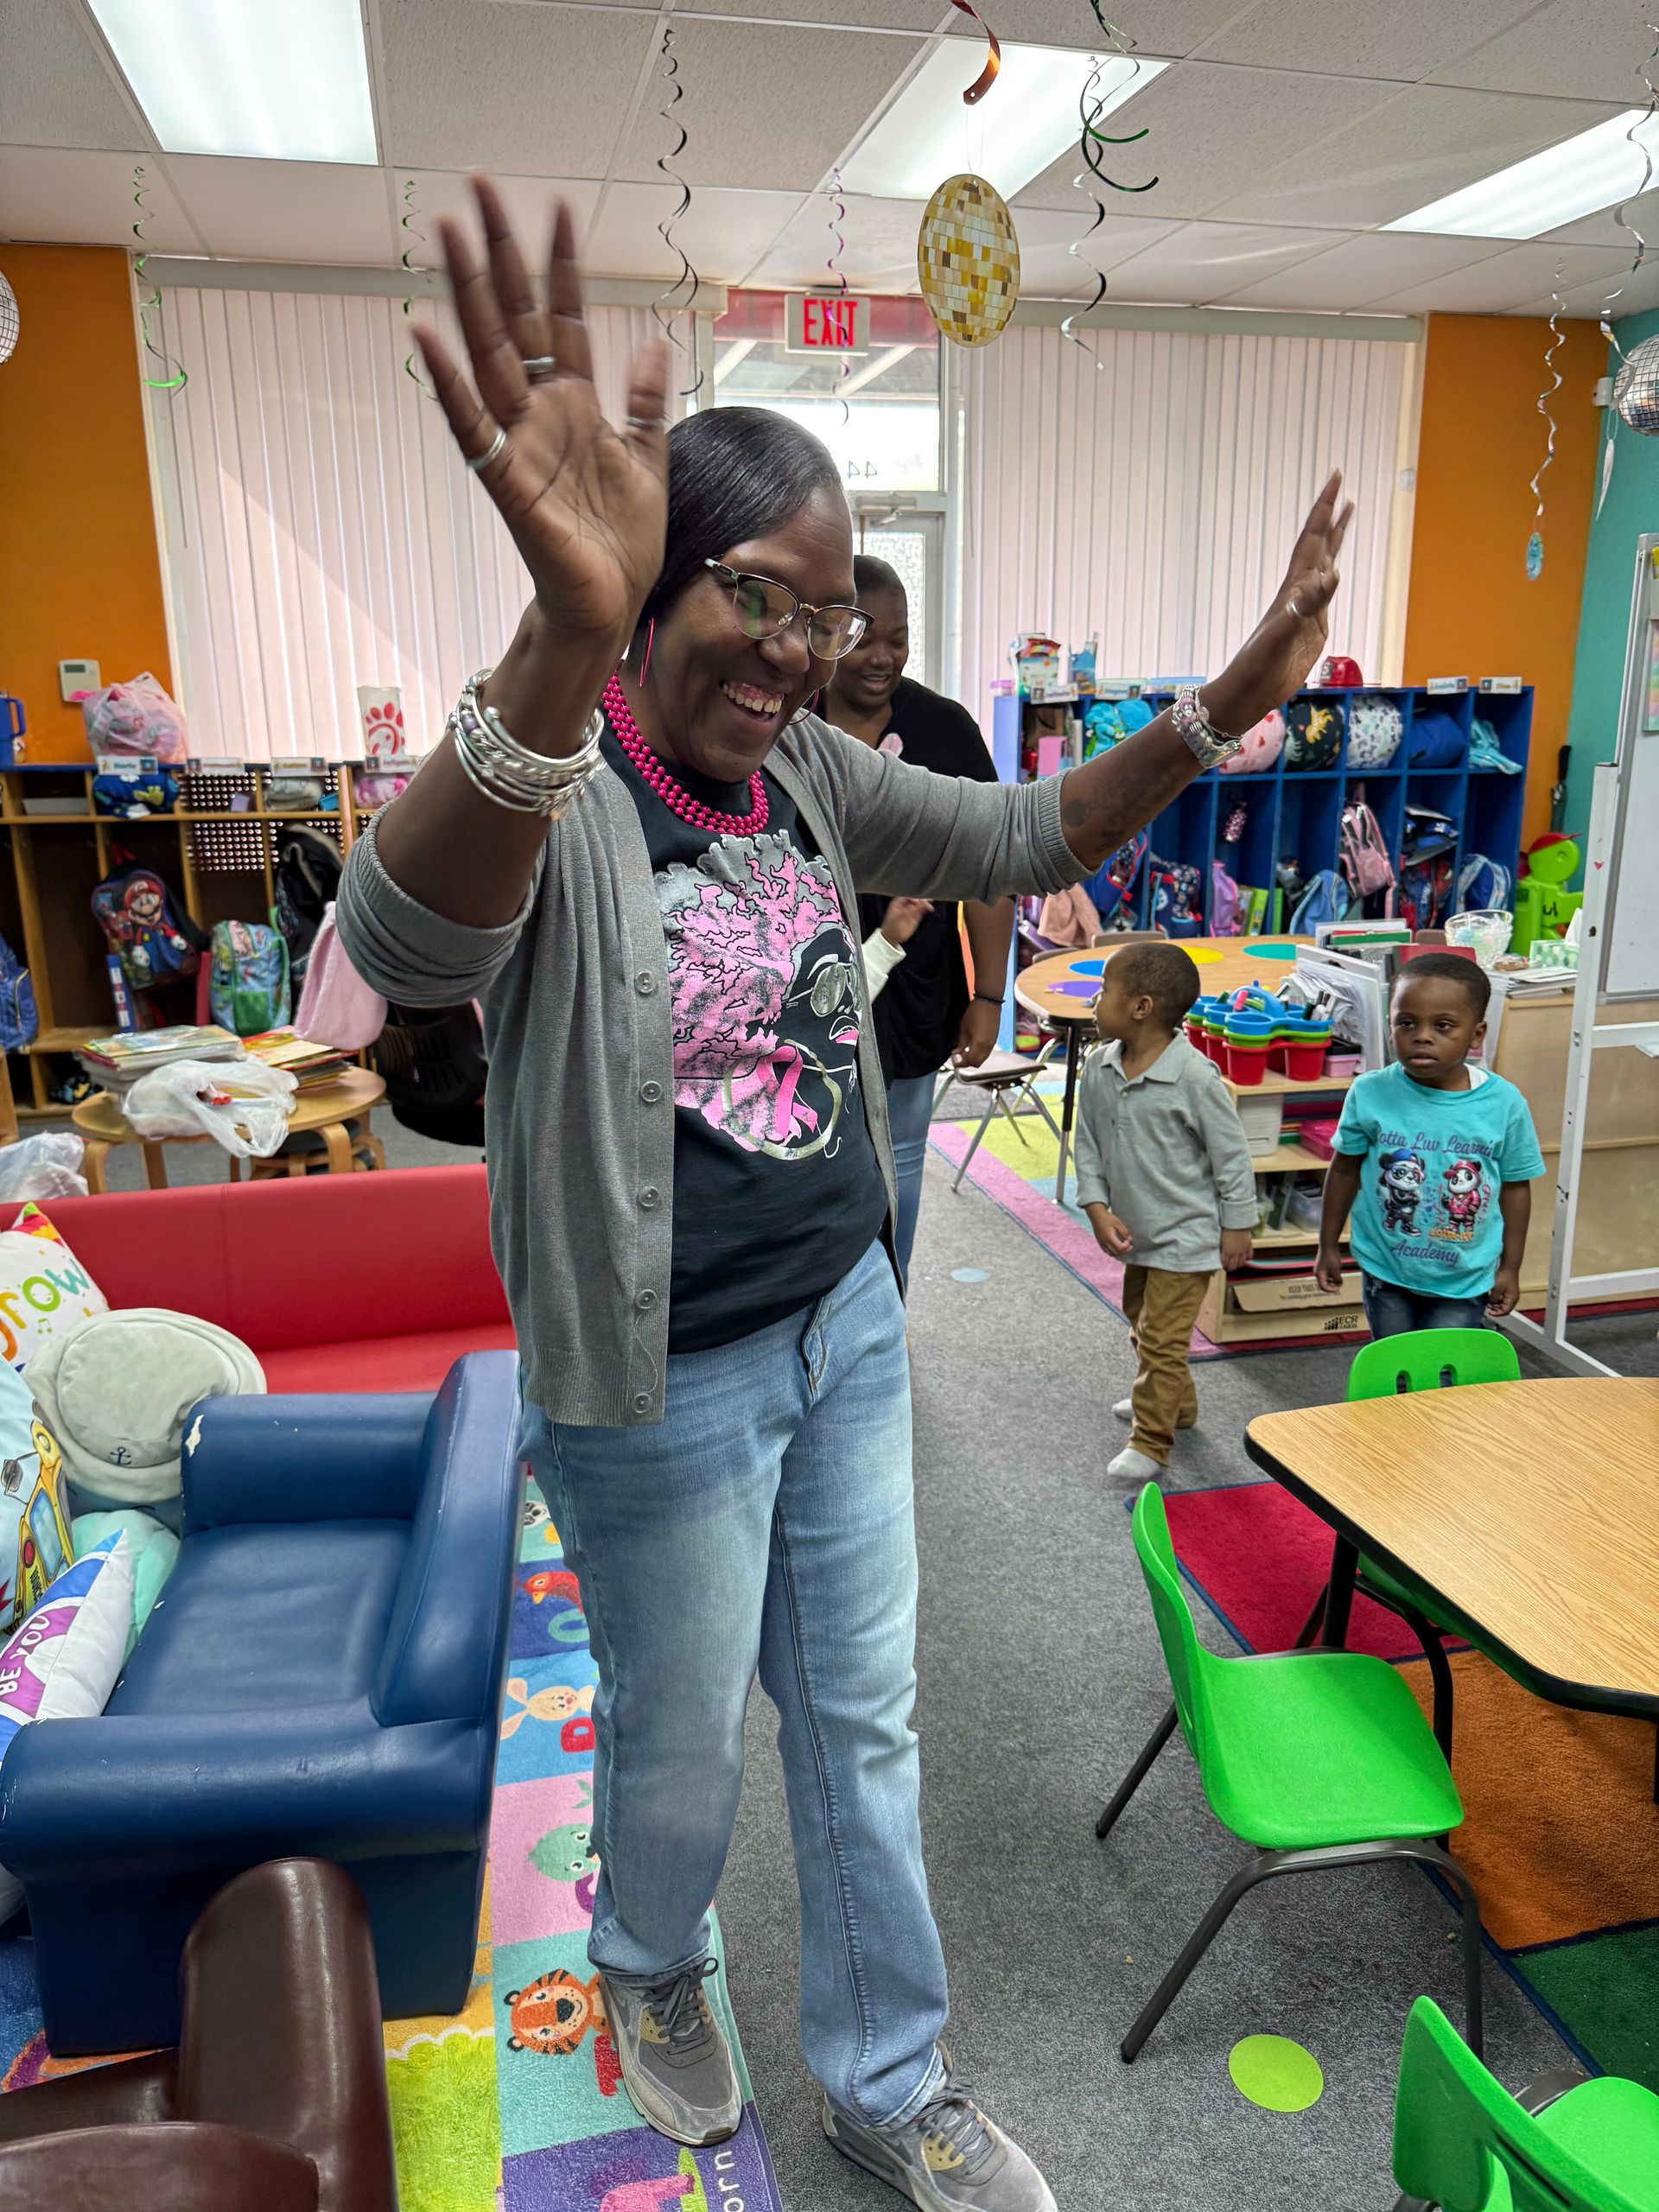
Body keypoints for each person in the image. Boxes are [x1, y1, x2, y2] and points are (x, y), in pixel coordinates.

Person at [336, 175, 1351, 2212]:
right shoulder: (566, 774)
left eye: (830, 606)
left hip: (844, 1320)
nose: (802, 649)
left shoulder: (802, 773)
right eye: (760, 596)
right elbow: (407, 939)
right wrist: (556, 631)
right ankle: (640, 1957)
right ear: (644, 576)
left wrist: (1222, 704)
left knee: (866, 1723)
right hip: (657, 1375)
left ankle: (890, 2074)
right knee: (687, 1728)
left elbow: (1019, 822)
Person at [825, 557, 1012, 1287]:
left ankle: (885, 1311)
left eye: (898, 639)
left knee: (900, 1157)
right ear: (825, 631)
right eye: (862, 637)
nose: (882, 657)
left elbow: (991, 873)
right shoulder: (787, 721)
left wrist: (989, 997)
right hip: (811, 989)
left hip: (914, 989)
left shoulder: (943, 730)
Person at [1074, 944, 1256, 1480]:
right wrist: (1095, 1206)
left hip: (1188, 1236)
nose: (1094, 1000)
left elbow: (1231, 1155)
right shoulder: (1099, 1067)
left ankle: (1152, 1441)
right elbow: (1086, 1143)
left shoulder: (1195, 1078)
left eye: (1104, 990)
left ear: (1141, 1007)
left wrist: (1238, 1225)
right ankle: (1176, 1401)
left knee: (1161, 1338)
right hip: (1139, 1233)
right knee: (1142, 1324)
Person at [1316, 953, 1542, 1338]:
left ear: (1476, 1034)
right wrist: (1327, 1244)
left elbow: (1517, 1187)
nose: (1422, 1036)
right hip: (1387, 1267)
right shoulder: (1370, 1092)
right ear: (1390, 1027)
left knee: (1442, 1377)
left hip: (1465, 1275)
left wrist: (1510, 1267)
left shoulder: (1504, 1103)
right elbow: (1344, 1169)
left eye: (1443, 1026)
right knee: (1396, 1371)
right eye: (1406, 1023)